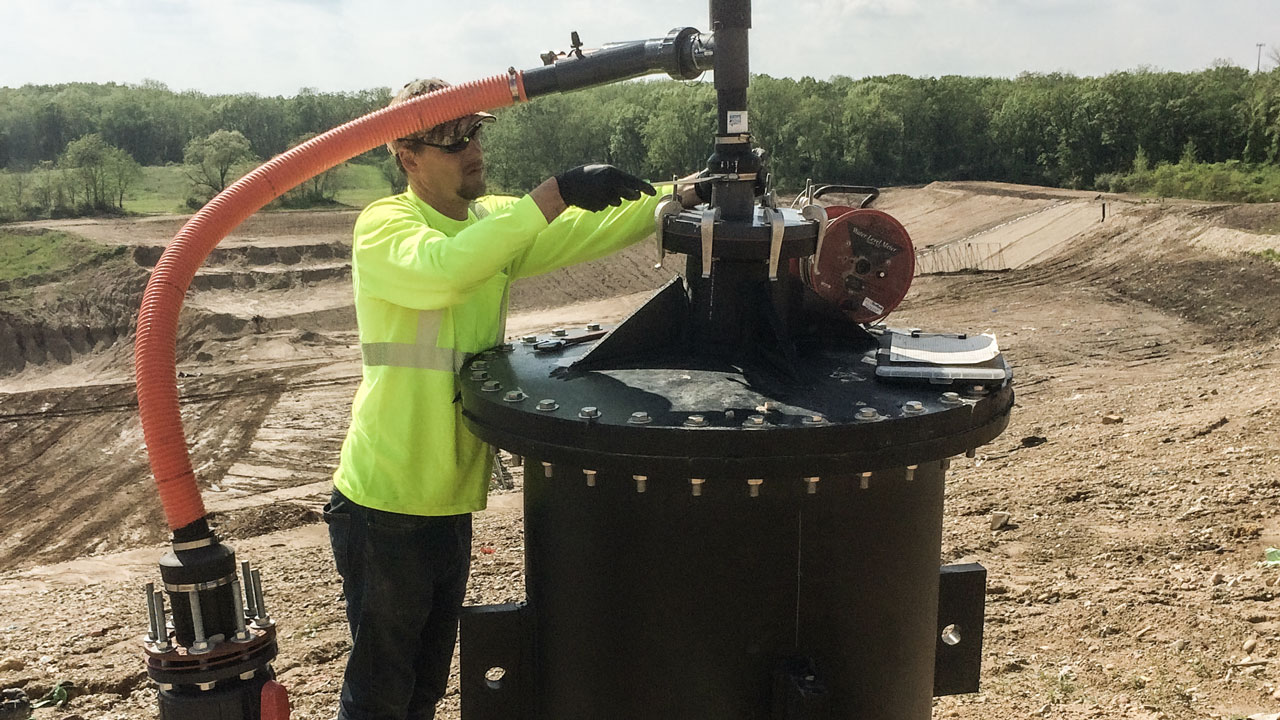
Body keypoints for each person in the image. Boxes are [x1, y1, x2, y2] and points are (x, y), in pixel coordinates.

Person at [323, 78, 697, 720]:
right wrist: (551, 194)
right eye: (452, 140)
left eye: (476, 132)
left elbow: (585, 230)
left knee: (424, 688)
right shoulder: (385, 227)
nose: (473, 149)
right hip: (385, 502)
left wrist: (680, 194)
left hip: (449, 497)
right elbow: (447, 269)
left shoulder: (490, 223)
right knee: (381, 691)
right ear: (407, 156)